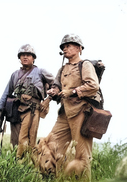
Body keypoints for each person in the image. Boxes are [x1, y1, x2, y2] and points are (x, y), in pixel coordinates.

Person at [33, 34, 100, 181]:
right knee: (49, 145)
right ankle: (53, 177)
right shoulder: (63, 68)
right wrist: (54, 91)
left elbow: (93, 85)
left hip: (81, 112)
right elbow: (56, 86)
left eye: (68, 45)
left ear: (78, 48)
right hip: (64, 113)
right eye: (63, 46)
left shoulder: (85, 65)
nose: (65, 48)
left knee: (81, 155)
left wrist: (73, 91)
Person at [0, 44, 54, 159]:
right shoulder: (15, 75)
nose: (25, 57)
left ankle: (28, 164)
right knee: (15, 139)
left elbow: (56, 85)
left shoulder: (41, 72)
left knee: (29, 139)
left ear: (33, 58)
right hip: (16, 109)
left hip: (32, 109)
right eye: (22, 55)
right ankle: (16, 165)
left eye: (28, 55)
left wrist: (48, 100)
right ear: (19, 58)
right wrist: (0, 110)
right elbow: (7, 92)